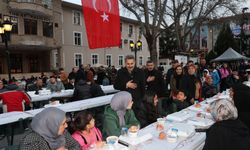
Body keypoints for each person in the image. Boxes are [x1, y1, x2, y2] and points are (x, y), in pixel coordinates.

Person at [114, 55, 145, 121]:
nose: (130, 65)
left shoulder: (140, 72)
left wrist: (140, 99)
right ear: (125, 63)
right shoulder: (120, 72)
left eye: (131, 63)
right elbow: (115, 86)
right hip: (124, 102)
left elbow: (143, 87)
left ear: (135, 63)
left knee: (138, 120)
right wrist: (126, 85)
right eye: (128, 64)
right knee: (126, 120)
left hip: (137, 102)